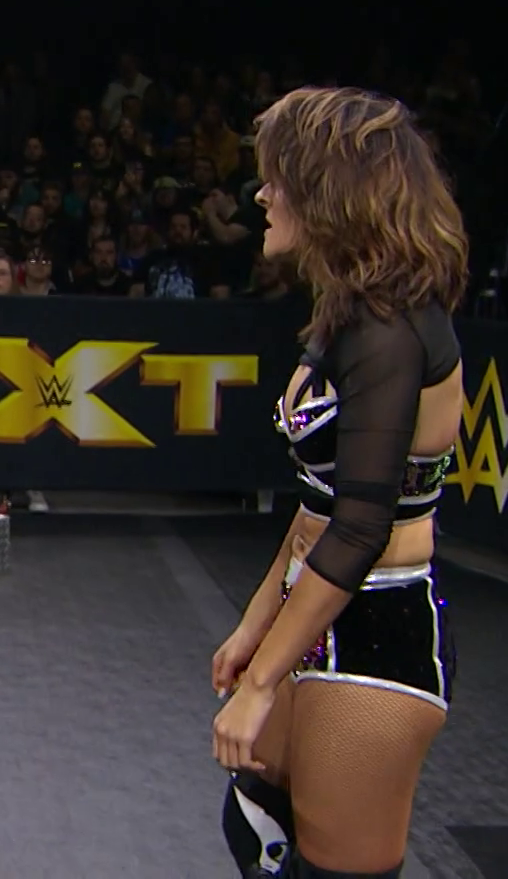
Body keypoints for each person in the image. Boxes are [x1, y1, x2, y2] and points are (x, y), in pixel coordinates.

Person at [211, 87, 466, 878]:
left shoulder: (390, 330)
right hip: (317, 610)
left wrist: (262, 681)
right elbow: (316, 504)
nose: (261, 195)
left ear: (327, 192)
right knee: (255, 819)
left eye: (277, 178)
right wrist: (256, 626)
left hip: (376, 634)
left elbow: (360, 528)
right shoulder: (348, 310)